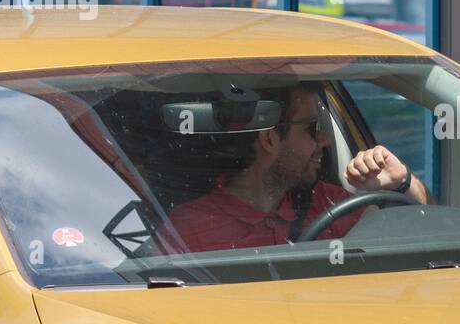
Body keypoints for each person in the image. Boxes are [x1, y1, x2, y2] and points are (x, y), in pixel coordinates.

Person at [167, 83, 428, 253]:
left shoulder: (331, 203)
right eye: (313, 128)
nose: (325, 140)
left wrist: (403, 181)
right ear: (270, 139)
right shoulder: (189, 228)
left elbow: (428, 238)